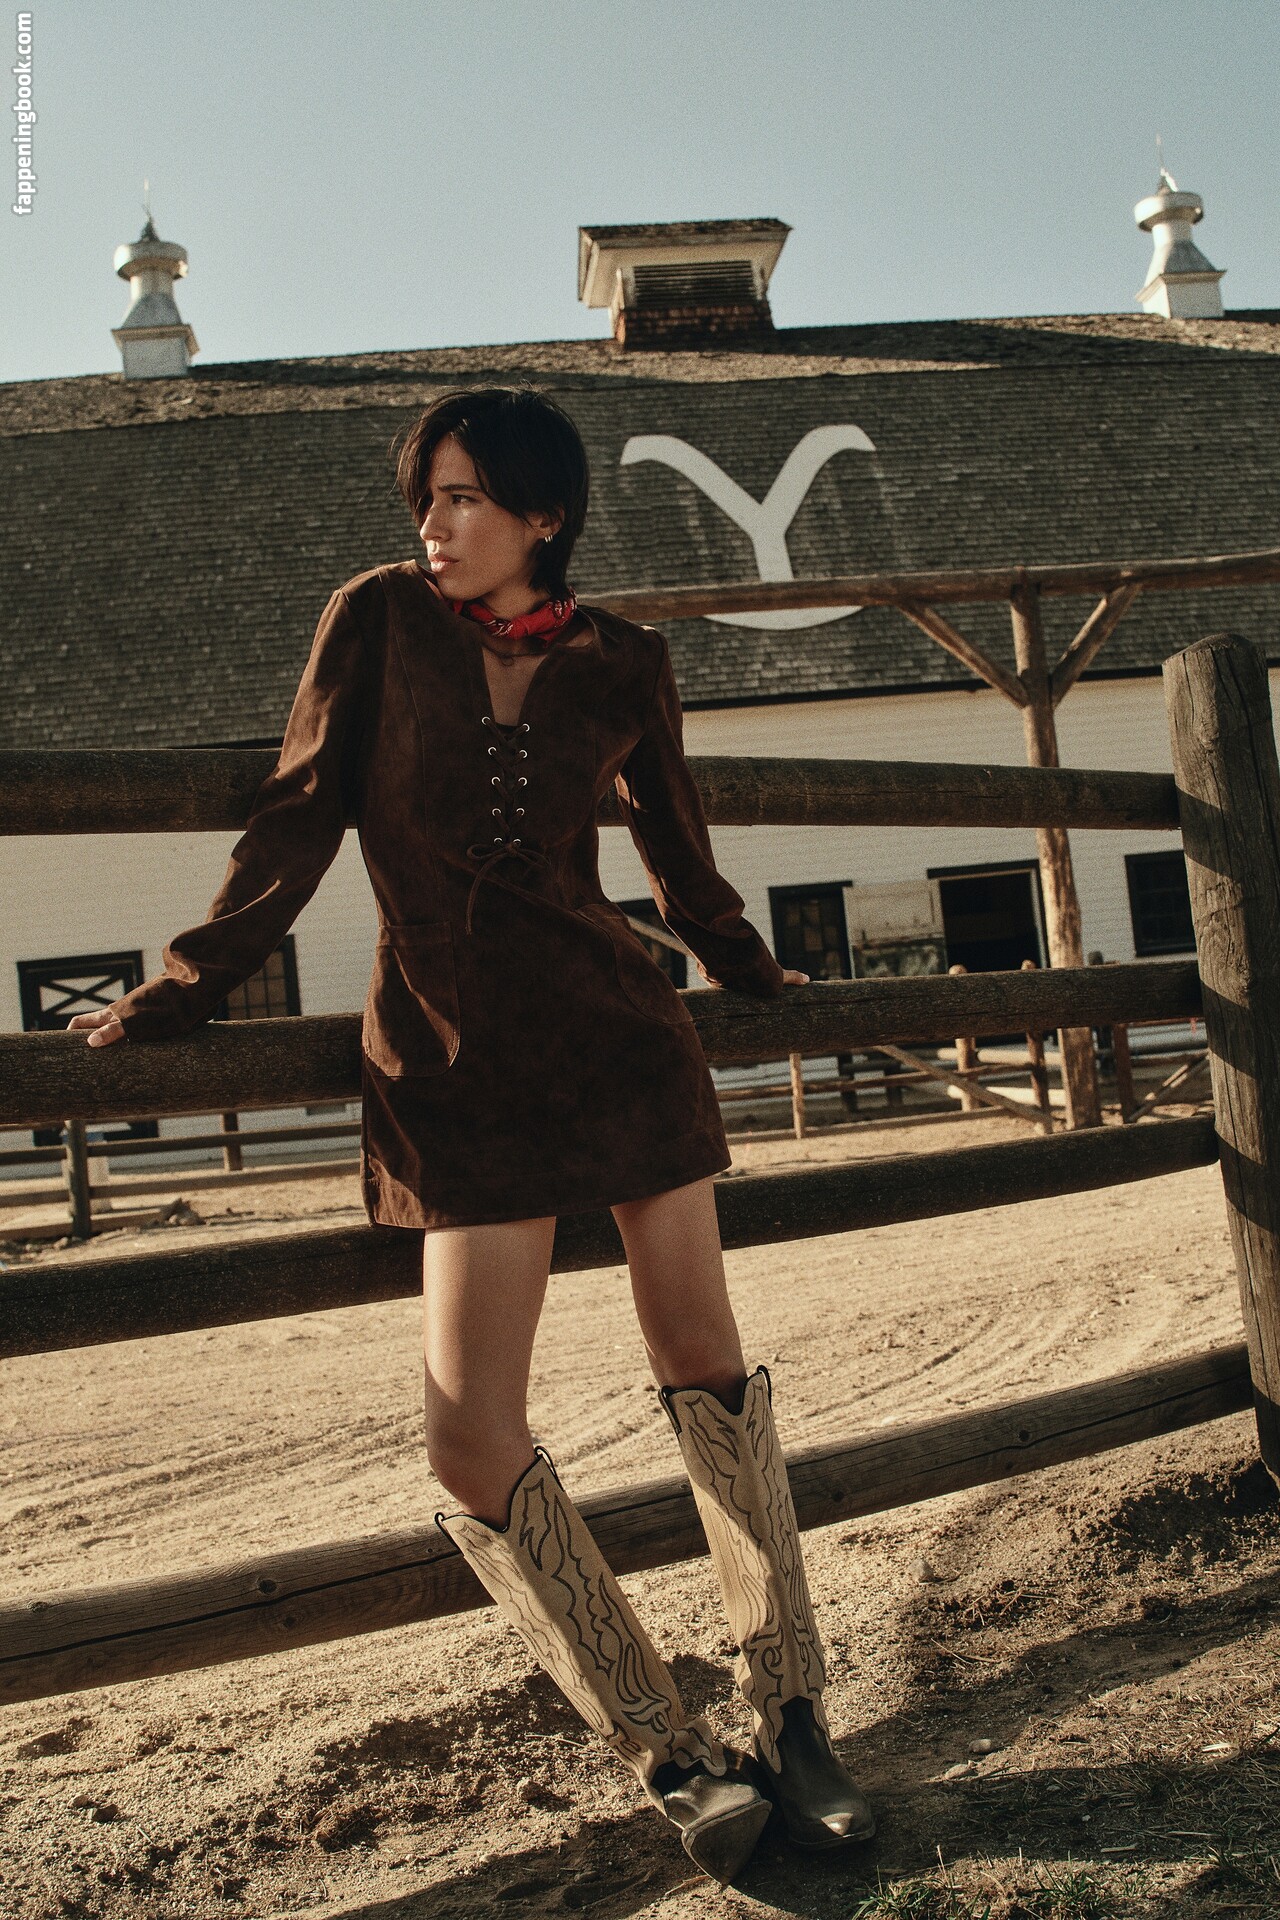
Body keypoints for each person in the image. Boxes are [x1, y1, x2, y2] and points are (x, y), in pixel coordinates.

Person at [69, 385, 875, 1885]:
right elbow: (298, 816)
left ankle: (793, 1714)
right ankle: (668, 1742)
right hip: (449, 1062)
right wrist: (186, 984)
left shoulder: (626, 659)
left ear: (542, 515)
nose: (432, 524)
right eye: (425, 497)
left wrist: (757, 973)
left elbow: (678, 853)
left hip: (621, 1041)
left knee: (706, 1364)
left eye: (462, 498)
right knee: (466, 1433)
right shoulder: (378, 619)